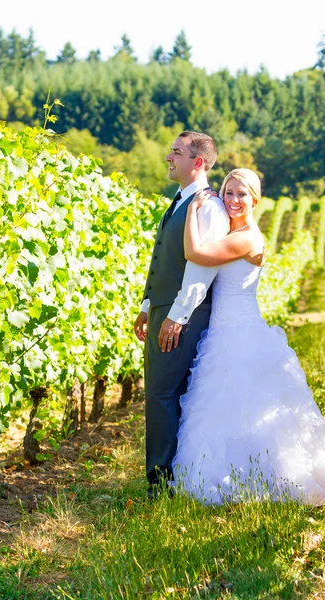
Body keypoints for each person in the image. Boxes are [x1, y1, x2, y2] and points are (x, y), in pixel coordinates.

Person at [171, 168, 325, 506]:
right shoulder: (232, 230)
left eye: (241, 194)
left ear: (255, 198)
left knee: (251, 407)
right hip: (221, 329)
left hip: (241, 330)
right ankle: (234, 479)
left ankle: (265, 481)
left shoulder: (247, 238)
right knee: (223, 407)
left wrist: (193, 211)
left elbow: (195, 254)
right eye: (228, 192)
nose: (234, 200)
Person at [134, 131, 229, 499]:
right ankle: (171, 478)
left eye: (177, 152)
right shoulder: (181, 200)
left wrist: (177, 315)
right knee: (164, 393)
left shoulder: (207, 206)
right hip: (164, 309)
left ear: (198, 162)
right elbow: (164, 258)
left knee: (163, 394)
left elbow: (199, 268)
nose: (168, 157)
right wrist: (147, 306)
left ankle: (162, 484)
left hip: (181, 314)